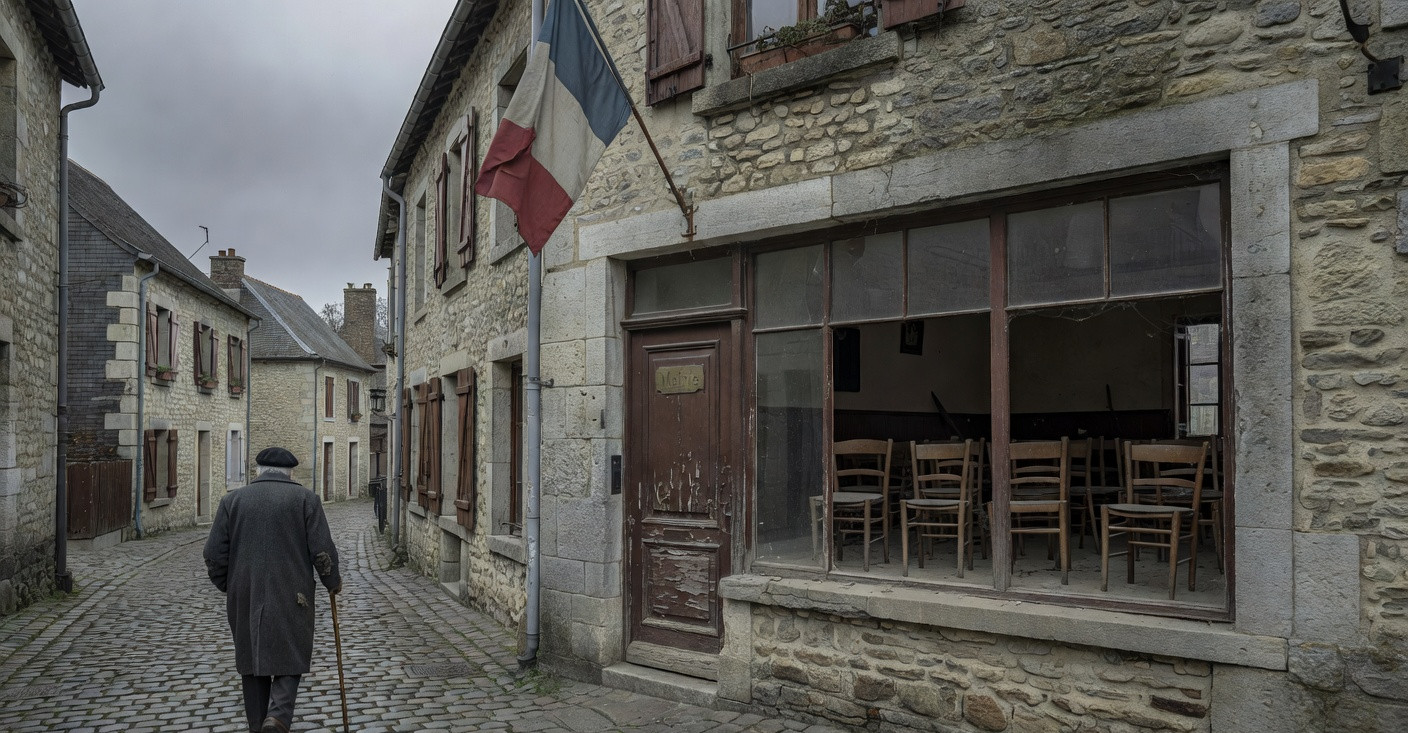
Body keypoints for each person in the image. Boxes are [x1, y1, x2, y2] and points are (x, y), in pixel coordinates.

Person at [203, 446, 342, 733]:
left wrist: (229, 585)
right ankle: (277, 716)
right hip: (294, 593)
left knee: (251, 658)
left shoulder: (233, 501)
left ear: (258, 471)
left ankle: (258, 725)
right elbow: (322, 552)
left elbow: (213, 554)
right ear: (290, 473)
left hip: (245, 593)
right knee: (292, 651)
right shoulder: (305, 499)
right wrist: (333, 582)